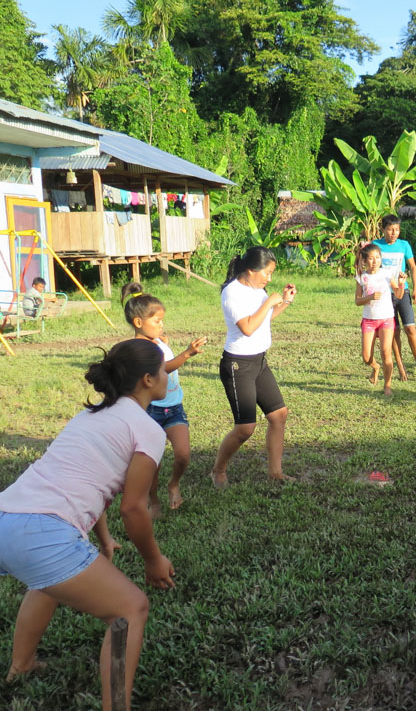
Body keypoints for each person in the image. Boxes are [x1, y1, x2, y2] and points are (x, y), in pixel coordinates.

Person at [0, 339, 175, 711]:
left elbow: (87, 482)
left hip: (6, 517)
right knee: (130, 609)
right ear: (147, 379)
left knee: (47, 583)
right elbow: (134, 508)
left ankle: (22, 665)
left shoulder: (90, 416)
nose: (167, 375)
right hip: (42, 534)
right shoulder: (148, 431)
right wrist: (153, 559)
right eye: (162, 369)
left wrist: (104, 540)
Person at [212, 247, 296, 486]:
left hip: (258, 361)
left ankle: (275, 472)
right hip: (238, 365)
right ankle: (218, 469)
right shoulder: (232, 293)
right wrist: (269, 301)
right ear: (250, 270)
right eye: (266, 273)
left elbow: (263, 319)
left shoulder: (257, 289)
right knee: (246, 428)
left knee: (279, 415)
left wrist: (284, 303)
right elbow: (248, 328)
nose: (269, 279)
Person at [121, 283, 207, 513]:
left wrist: (164, 342)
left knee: (183, 455)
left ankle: (174, 484)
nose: (162, 325)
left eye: (162, 320)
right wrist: (187, 353)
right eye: (156, 321)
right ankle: (153, 499)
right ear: (138, 323)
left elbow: (162, 350)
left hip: (174, 407)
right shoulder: (137, 348)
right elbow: (164, 368)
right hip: (151, 411)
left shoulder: (157, 342)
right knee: (153, 463)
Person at [373, 215, 416, 381]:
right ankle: (401, 367)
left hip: (402, 292)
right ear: (383, 229)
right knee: (394, 332)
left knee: (410, 328)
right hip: (385, 295)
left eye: (396, 229)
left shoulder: (404, 245)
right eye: (390, 229)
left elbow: (413, 267)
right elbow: (368, 264)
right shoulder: (376, 245)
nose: (394, 233)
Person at [355, 243, 406, 396]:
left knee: (386, 352)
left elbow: (398, 294)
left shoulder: (387, 274)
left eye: (377, 257)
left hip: (386, 319)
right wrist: (369, 297)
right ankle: (376, 367)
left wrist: (401, 284)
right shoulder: (361, 277)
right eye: (371, 258)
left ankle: (387, 385)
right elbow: (358, 301)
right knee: (366, 357)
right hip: (369, 320)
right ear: (364, 261)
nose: (375, 261)